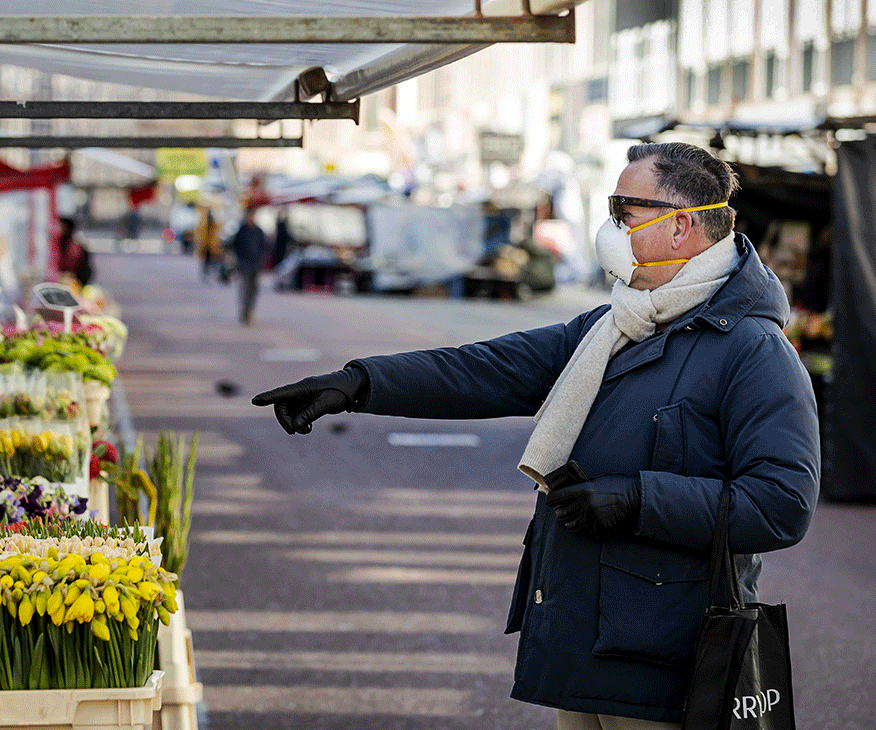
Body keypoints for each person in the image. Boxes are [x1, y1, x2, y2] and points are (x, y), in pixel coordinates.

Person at [252, 143, 819, 730]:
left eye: (624, 212)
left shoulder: (754, 350)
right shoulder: (616, 324)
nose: (611, 229)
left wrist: (636, 500)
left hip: (670, 663)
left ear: (680, 227)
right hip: (582, 645)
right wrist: (359, 383)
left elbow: (782, 504)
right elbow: (485, 370)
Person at [231, 206, 267, 324]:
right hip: (244, 265)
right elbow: (234, 245)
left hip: (255, 265)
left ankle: (250, 310)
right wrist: (239, 259)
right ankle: (245, 312)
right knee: (245, 289)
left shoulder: (259, 231)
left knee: (254, 290)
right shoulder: (241, 230)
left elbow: (263, 247)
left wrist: (260, 259)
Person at [56, 217, 93, 289]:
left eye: (62, 226)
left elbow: (85, 272)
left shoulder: (77, 248)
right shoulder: (55, 246)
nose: (59, 229)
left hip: (73, 286)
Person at [194, 206, 223, 283]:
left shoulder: (214, 226)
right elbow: (199, 234)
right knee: (206, 263)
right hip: (206, 247)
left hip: (212, 247)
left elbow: (220, 227)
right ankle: (206, 274)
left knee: (212, 262)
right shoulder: (204, 226)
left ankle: (211, 274)